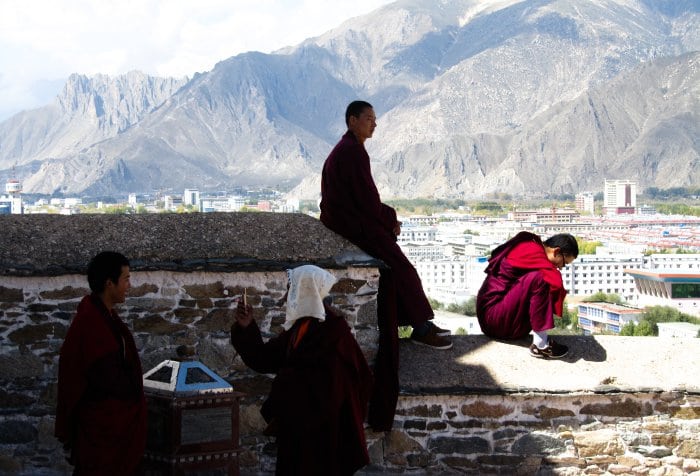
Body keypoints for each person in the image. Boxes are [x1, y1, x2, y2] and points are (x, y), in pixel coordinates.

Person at [319, 100, 450, 429]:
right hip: (352, 226)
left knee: (397, 269)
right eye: (368, 119)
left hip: (353, 221)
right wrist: (390, 218)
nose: (374, 125)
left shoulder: (351, 149)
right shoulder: (351, 152)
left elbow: (365, 197)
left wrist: (384, 215)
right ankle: (420, 327)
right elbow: (365, 200)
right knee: (402, 268)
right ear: (352, 121)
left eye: (375, 120)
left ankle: (418, 323)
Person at [230, 265, 373, 476]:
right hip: (299, 426)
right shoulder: (300, 328)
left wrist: (287, 381)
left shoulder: (334, 331)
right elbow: (265, 358)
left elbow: (334, 386)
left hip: (325, 431)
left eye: (292, 290)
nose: (288, 296)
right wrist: (246, 326)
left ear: (307, 292)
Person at [55, 251, 147, 475]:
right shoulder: (91, 324)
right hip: (102, 430)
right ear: (109, 283)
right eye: (126, 279)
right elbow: (107, 379)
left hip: (108, 426)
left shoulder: (104, 318)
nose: (129, 285)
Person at [476, 232, 579, 359]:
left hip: (494, 317)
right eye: (564, 263)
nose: (561, 267)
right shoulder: (532, 250)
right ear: (556, 251)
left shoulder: (531, 244)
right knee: (542, 278)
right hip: (493, 318)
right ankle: (541, 346)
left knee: (542, 276)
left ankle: (541, 341)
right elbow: (556, 283)